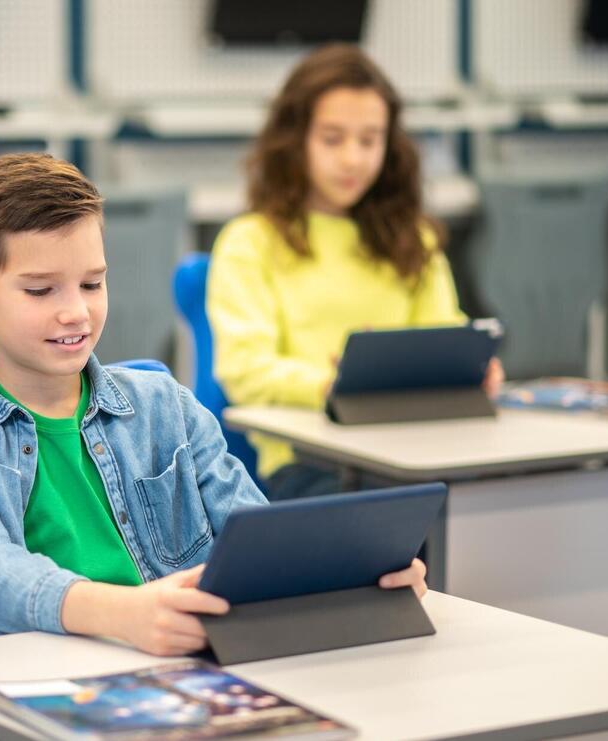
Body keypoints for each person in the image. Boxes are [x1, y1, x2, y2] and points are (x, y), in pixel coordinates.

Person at [0, 153, 428, 741]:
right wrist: (127, 613)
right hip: (13, 706)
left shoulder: (165, 407)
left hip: (180, 683)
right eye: (40, 290)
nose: (76, 311)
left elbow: (257, 536)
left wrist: (349, 579)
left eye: (93, 283)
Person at [206, 44, 503, 500]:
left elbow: (444, 333)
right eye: (332, 138)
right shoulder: (251, 241)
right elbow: (245, 371)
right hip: (312, 462)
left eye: (369, 140)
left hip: (419, 449)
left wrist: (471, 371)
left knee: (496, 504)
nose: (352, 158)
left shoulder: (414, 240)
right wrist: (334, 386)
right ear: (295, 140)